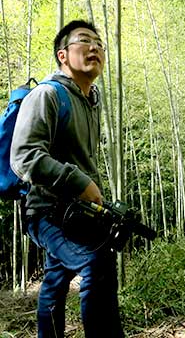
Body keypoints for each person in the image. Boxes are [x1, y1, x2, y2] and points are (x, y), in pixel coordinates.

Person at [10, 20, 124, 337]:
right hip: (46, 211)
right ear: (63, 54)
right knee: (96, 264)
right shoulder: (48, 94)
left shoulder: (91, 102)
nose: (94, 48)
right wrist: (79, 183)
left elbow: (83, 161)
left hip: (77, 214)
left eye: (99, 43)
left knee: (56, 279)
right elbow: (24, 157)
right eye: (84, 41)